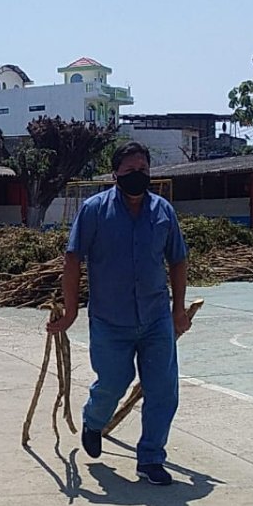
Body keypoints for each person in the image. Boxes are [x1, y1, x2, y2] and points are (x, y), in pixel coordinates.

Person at [48, 141, 190, 486]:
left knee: (163, 389)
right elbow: (72, 259)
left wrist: (178, 309)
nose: (137, 176)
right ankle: (93, 421)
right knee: (113, 382)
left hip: (156, 317)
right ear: (115, 174)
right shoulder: (95, 211)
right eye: (129, 171)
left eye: (143, 170)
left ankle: (151, 458)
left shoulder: (163, 212)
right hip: (110, 319)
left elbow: (178, 259)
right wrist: (69, 311)